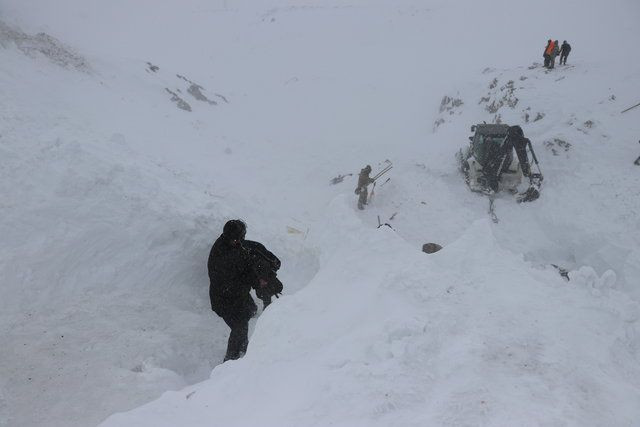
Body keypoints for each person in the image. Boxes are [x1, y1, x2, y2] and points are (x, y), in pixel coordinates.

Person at [208, 220, 281, 361]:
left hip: (236, 294)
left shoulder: (230, 244)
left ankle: (244, 342)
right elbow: (239, 279)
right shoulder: (224, 257)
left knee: (248, 310)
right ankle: (231, 358)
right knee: (240, 326)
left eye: (242, 238)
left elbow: (248, 251)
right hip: (224, 299)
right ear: (229, 237)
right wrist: (258, 282)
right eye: (237, 239)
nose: (240, 241)